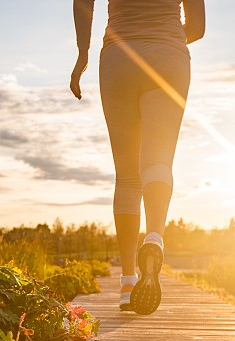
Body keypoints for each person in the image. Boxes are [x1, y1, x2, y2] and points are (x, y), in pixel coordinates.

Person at [70, 0, 205, 315]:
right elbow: (198, 28)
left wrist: (82, 55)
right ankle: (154, 238)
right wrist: (165, 38)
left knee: (127, 175)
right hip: (169, 56)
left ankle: (128, 282)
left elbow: (82, 2)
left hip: (119, 58)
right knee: (158, 161)